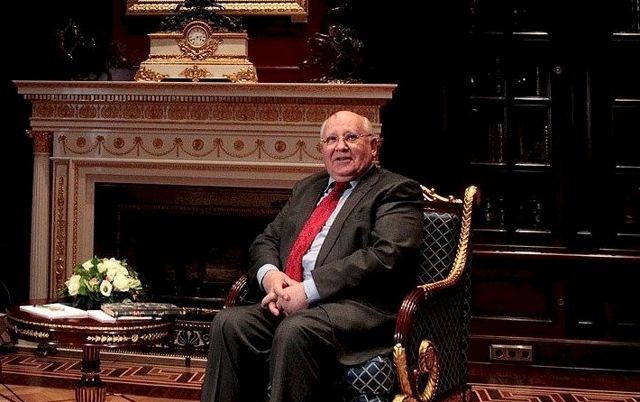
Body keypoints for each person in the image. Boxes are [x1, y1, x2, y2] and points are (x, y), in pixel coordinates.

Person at [200, 110, 424, 402]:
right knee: (229, 323)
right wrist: (271, 278)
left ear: (373, 146)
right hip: (290, 300)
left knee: (294, 331)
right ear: (322, 150)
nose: (340, 147)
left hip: (353, 309)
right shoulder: (307, 188)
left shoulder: (395, 189)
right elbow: (266, 240)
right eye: (331, 140)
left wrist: (308, 291)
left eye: (351, 137)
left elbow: (387, 256)